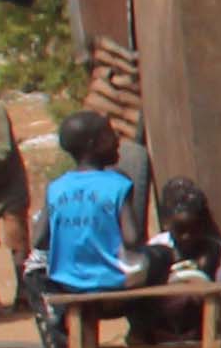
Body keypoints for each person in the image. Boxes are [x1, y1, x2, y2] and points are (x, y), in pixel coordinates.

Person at [31, 110, 142, 298]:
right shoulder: (118, 184)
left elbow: (39, 240)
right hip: (112, 281)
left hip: (67, 283)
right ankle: (143, 324)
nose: (117, 140)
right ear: (94, 145)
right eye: (109, 135)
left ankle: (59, 323)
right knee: (161, 256)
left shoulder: (56, 188)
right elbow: (132, 239)